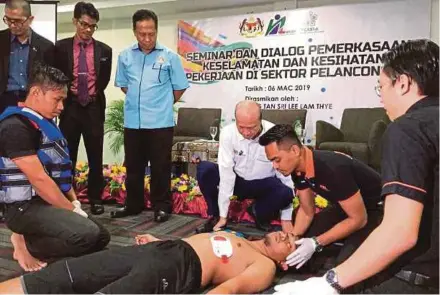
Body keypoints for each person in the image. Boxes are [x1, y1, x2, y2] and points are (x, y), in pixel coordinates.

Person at [273, 39, 439, 294]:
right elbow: (306, 212)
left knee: (349, 274)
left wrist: (329, 281)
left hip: (413, 264)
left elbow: (400, 231)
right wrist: (297, 239)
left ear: (403, 83)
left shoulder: (407, 129)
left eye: (381, 87)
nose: (381, 99)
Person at [0, 63, 110, 272]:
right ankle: (25, 242)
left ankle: (38, 239)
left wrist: (75, 203)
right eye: (56, 99)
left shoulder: (45, 124)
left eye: (63, 100)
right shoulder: (14, 127)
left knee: (101, 236)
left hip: (46, 204)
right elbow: (40, 180)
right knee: (87, 235)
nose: (61, 107)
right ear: (35, 93)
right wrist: (70, 211)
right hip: (23, 208)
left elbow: (59, 174)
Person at [0, 230, 297, 294]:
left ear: (286, 263)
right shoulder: (235, 233)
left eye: (292, 243)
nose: (288, 235)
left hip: (180, 270)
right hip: (163, 249)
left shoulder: (265, 266)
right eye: (288, 232)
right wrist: (159, 241)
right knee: (60, 276)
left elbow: (227, 291)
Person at [259, 124, 383, 271]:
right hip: (345, 207)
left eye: (277, 160)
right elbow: (306, 211)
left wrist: (316, 243)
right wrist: (293, 237)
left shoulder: (332, 169)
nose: (274, 166)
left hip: (377, 211)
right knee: (297, 248)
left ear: (295, 150)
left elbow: (359, 220)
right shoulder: (297, 169)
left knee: (345, 268)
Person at [112, 9, 189, 221]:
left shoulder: (170, 57)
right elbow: (124, 86)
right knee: (134, 167)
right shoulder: (125, 56)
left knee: (160, 167)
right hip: (133, 122)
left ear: (156, 30)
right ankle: (133, 204)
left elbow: (179, 88)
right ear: (135, 32)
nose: (147, 38)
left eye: (151, 33)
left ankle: (161, 206)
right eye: (142, 33)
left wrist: (160, 103)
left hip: (159, 122)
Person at [197, 101, 295, 233]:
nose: (246, 132)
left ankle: (259, 211)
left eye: (251, 127)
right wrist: (223, 216)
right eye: (241, 127)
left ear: (260, 120)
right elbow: (226, 174)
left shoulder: (275, 135)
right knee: (205, 169)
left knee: (287, 193)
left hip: (264, 184)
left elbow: (285, 176)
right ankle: (215, 215)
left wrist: (286, 219)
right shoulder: (228, 133)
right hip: (238, 182)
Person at [54, 2, 112, 215]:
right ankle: (67, 197)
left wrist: (91, 95)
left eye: (92, 26)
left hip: (93, 108)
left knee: (95, 155)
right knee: (66, 155)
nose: (88, 30)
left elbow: (103, 80)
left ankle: (96, 198)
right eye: (84, 24)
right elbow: (56, 77)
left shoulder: (105, 51)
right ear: (75, 22)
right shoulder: (60, 48)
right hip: (70, 107)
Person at [0, 0, 54, 114]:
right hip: (3, 102)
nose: (12, 25)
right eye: (8, 20)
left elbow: (49, 82)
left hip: (34, 103)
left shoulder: (46, 47)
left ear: (30, 19)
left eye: (18, 21)